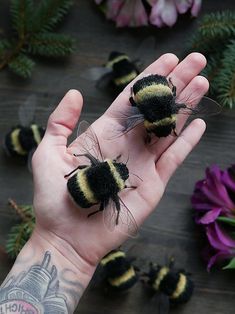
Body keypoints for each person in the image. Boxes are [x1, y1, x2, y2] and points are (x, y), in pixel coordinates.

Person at [0, 53, 208, 313]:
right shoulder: (110, 181)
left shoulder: (107, 176)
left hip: (84, 191)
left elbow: (103, 192)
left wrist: (59, 240)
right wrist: (62, 243)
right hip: (83, 193)